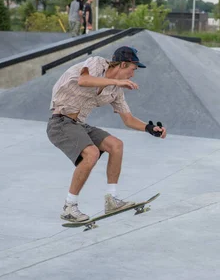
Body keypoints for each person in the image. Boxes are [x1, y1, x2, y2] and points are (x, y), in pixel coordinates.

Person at [46, 46, 167, 222]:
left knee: (116, 145)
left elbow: (129, 119)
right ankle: (69, 207)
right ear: (123, 64)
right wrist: (117, 82)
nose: (132, 75)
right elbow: (84, 80)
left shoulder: (116, 91)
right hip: (60, 123)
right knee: (92, 153)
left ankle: (112, 199)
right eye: (132, 69)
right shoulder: (97, 64)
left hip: (79, 124)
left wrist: (150, 129)